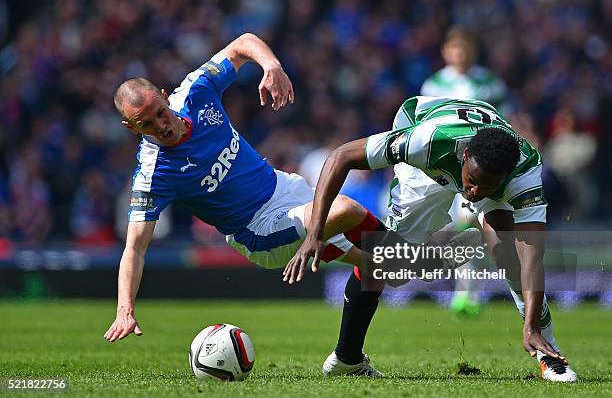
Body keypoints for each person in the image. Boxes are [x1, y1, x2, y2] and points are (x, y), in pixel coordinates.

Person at [103, 34, 384, 374]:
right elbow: (135, 247)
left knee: (378, 268)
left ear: (165, 97)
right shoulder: (153, 173)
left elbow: (242, 43)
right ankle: (407, 255)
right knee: (346, 211)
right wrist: (124, 309)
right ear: (130, 127)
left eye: (160, 113)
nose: (161, 125)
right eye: (145, 124)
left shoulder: (195, 92)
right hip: (259, 231)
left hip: (288, 190)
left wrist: (271, 66)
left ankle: (347, 360)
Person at [286, 96, 578, 382]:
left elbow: (532, 256)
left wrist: (531, 327)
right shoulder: (425, 142)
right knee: (388, 265)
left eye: (486, 187)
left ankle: (549, 356)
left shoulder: (524, 172)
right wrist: (315, 232)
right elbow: (341, 156)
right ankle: (347, 358)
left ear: (505, 178)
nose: (473, 194)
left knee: (508, 254)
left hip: (480, 147)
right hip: (426, 139)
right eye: (472, 181)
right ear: (465, 157)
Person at [421, 27, 510, 315]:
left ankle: (466, 295)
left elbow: (504, 120)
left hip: (480, 164)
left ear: (474, 50)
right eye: (456, 47)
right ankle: (467, 292)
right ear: (446, 51)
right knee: (465, 226)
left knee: (470, 222)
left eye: (466, 47)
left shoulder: (489, 83)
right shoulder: (434, 85)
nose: (461, 53)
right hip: (447, 163)